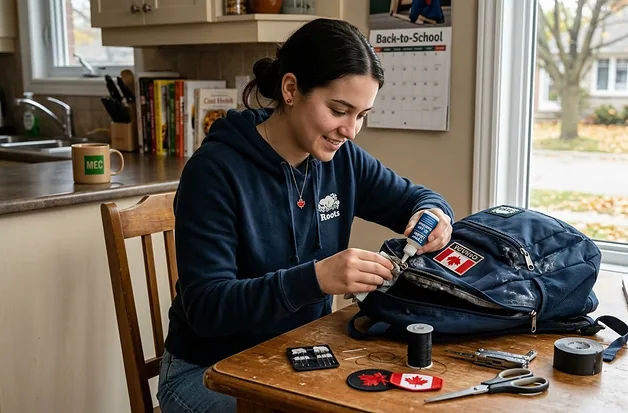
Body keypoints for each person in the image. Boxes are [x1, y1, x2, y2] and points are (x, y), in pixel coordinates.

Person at [156, 18, 454, 413]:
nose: (350, 130)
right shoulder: (215, 172)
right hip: (207, 370)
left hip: (294, 355)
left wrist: (434, 213)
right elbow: (208, 309)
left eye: (362, 114)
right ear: (291, 89)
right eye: (338, 110)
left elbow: (415, 198)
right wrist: (316, 279)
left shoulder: (342, 160)